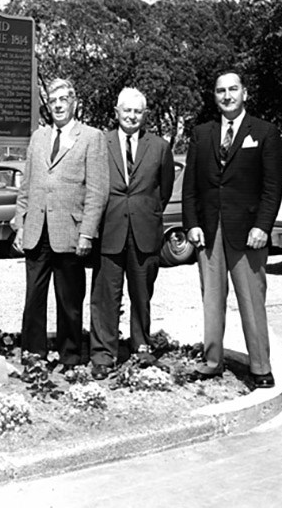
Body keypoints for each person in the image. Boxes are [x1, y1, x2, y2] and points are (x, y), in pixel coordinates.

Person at [182, 71, 282, 388]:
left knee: (252, 301)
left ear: (245, 93)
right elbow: (190, 189)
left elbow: (272, 188)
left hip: (248, 232)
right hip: (209, 231)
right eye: (220, 91)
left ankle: (260, 367)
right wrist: (192, 225)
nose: (227, 96)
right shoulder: (202, 134)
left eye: (233, 90)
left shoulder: (265, 133)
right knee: (212, 300)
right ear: (214, 96)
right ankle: (212, 362)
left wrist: (262, 227)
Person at [12, 78, 109, 369]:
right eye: (53, 100)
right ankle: (33, 357)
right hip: (36, 232)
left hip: (70, 232)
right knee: (33, 300)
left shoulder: (91, 137)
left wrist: (87, 234)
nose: (57, 105)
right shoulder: (38, 137)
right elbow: (26, 185)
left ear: (74, 103)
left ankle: (70, 358)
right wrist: (20, 224)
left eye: (63, 99)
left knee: (69, 302)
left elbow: (97, 191)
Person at [89, 88, 175, 380]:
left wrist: (143, 211)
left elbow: (163, 191)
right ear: (116, 112)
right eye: (126, 110)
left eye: (138, 111)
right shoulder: (101, 142)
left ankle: (140, 348)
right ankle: (103, 354)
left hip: (144, 232)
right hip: (109, 230)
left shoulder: (160, 147)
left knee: (142, 296)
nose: (131, 116)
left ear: (145, 115)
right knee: (105, 297)